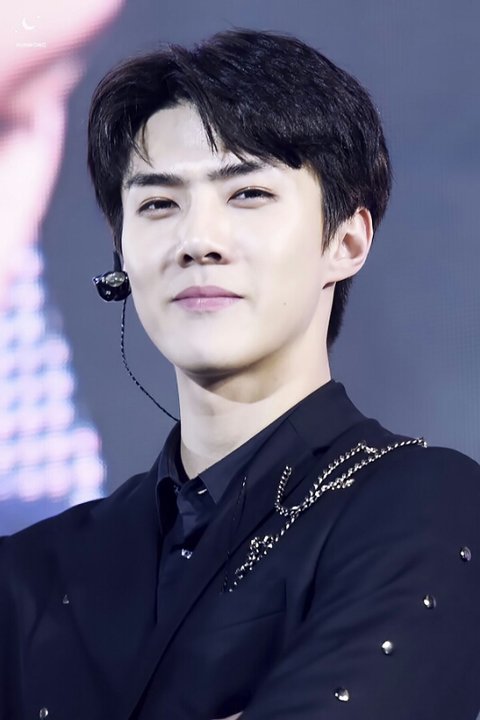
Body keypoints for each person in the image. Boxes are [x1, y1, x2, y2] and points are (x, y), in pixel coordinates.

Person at [1, 28, 480, 720]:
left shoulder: (425, 503)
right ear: (121, 254)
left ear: (347, 240)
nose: (198, 241)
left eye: (248, 194)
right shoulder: (32, 570)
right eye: (158, 204)